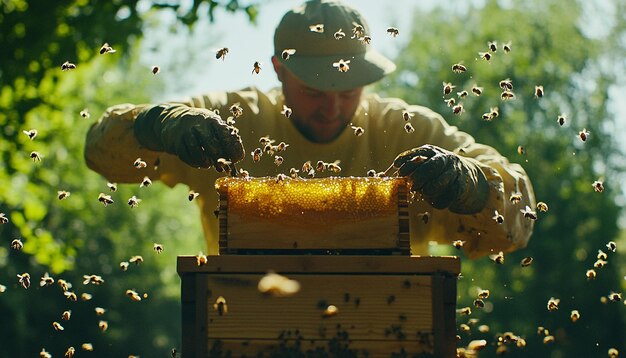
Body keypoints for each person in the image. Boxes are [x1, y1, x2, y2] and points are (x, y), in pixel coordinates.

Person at [85, 0, 535, 258]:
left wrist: (471, 186)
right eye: (316, 89)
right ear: (280, 70)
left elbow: (516, 221)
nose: (333, 106)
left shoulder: (404, 130)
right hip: (245, 330)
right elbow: (102, 151)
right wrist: (163, 124)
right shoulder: (236, 118)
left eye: (349, 87)